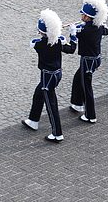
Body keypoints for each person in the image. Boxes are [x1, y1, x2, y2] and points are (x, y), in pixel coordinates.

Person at [23, 10, 77, 143]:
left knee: (51, 105)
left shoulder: (39, 44)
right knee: (38, 93)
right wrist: (73, 34)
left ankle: (57, 133)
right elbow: (71, 49)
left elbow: (34, 42)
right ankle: (33, 120)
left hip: (47, 77)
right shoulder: (60, 41)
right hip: (57, 74)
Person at [69, 0, 108, 124]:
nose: (81, 17)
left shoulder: (85, 29)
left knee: (87, 87)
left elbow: (75, 41)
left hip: (88, 60)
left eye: (83, 15)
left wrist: (72, 33)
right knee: (77, 78)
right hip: (95, 59)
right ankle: (77, 103)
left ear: (88, 17)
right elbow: (105, 31)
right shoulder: (98, 26)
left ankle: (90, 115)